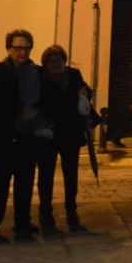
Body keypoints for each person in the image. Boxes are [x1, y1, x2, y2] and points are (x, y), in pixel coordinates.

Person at [0, 29, 42, 243]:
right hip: (5, 134)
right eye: (18, 48)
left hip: (28, 134)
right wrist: (17, 113)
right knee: (2, 181)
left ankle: (22, 222)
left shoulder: (36, 71)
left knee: (25, 180)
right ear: (9, 49)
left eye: (27, 48)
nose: (23, 52)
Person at [34, 45, 92, 235]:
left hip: (70, 132)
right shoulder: (39, 77)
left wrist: (84, 92)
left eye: (60, 60)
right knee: (46, 174)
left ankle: (71, 210)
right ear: (45, 63)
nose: (57, 64)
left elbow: (86, 90)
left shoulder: (73, 75)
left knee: (71, 173)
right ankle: (45, 213)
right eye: (52, 61)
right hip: (48, 132)